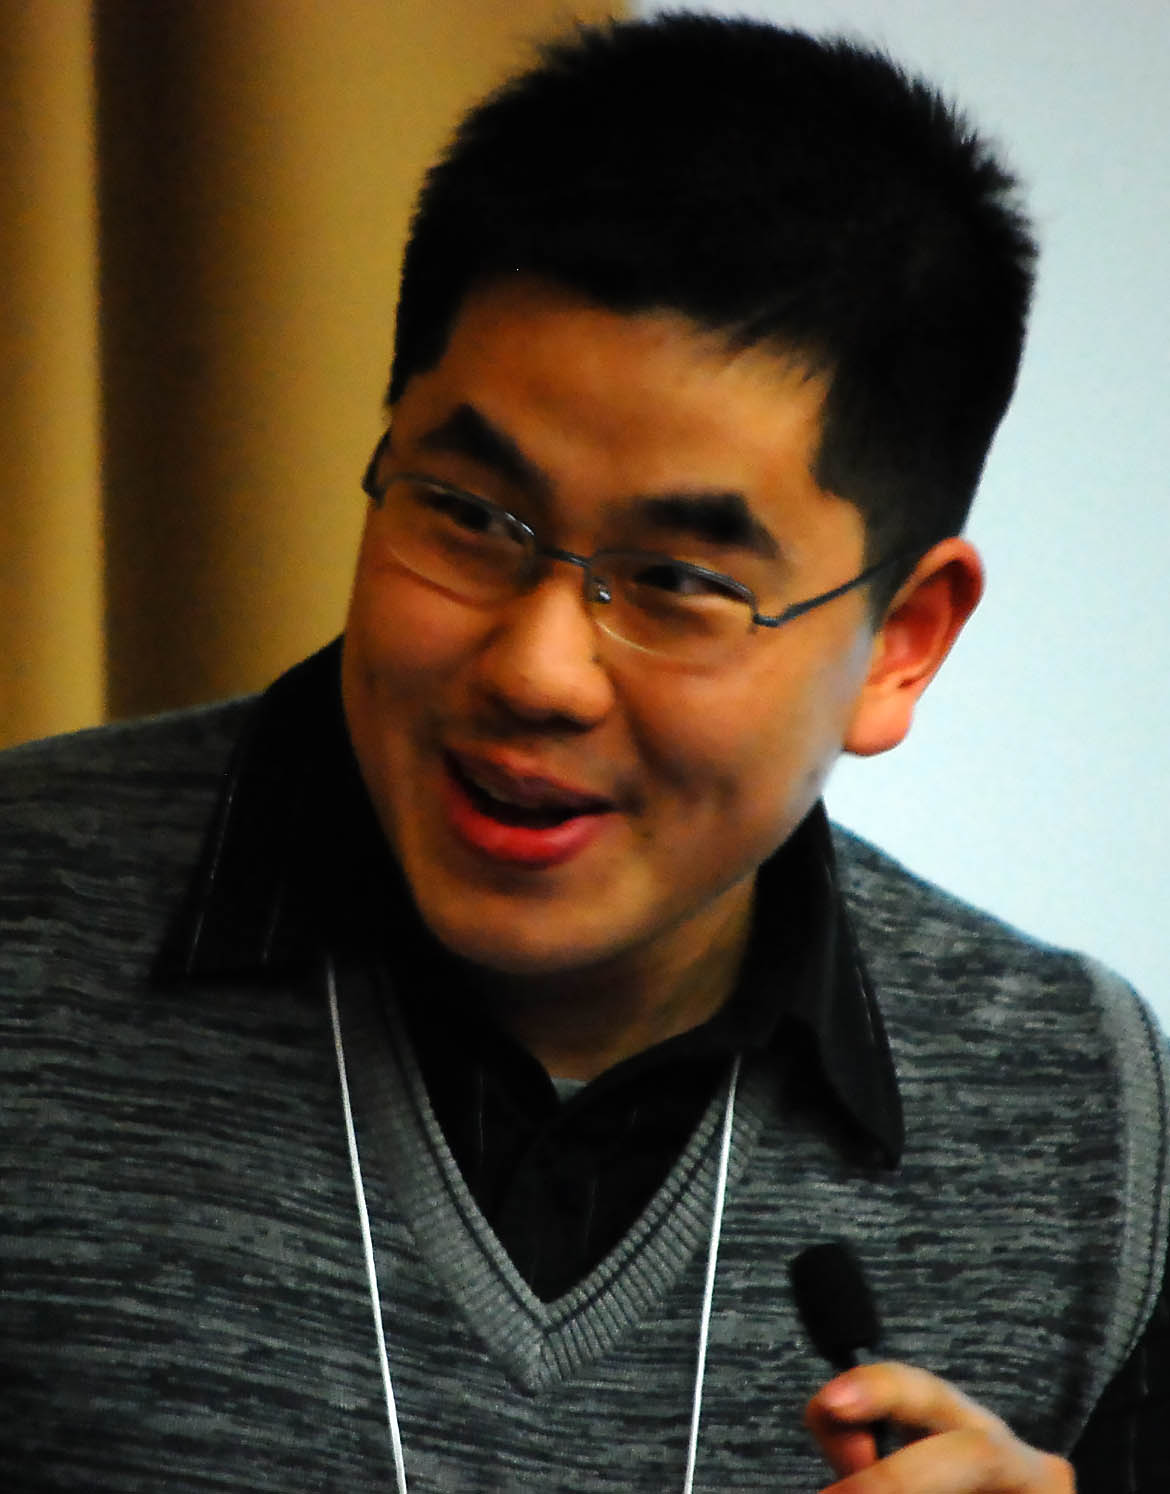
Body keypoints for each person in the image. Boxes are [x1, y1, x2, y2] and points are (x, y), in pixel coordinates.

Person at [1, 13, 1166, 1492]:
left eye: (677, 580)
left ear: (902, 642)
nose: (535, 669)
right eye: (465, 516)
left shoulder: (1081, 1112)